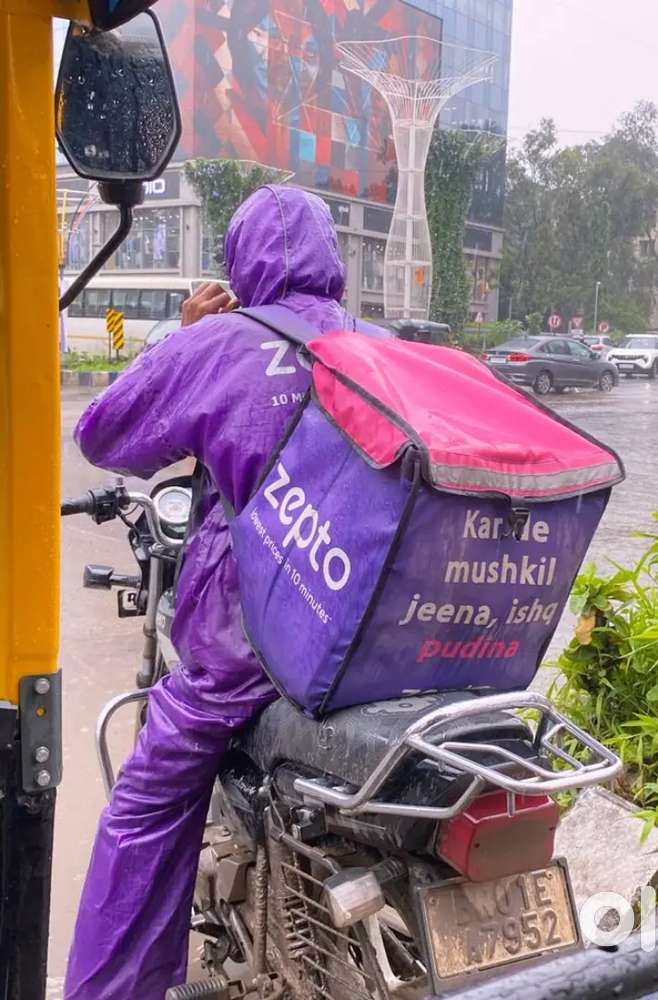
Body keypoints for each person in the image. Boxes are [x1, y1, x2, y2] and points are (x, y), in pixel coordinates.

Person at [64, 185, 387, 1000]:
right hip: (373, 638)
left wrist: (185, 339)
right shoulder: (381, 346)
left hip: (252, 649)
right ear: (332, 258)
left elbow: (105, 434)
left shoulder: (221, 344)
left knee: (143, 812)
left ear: (242, 262)